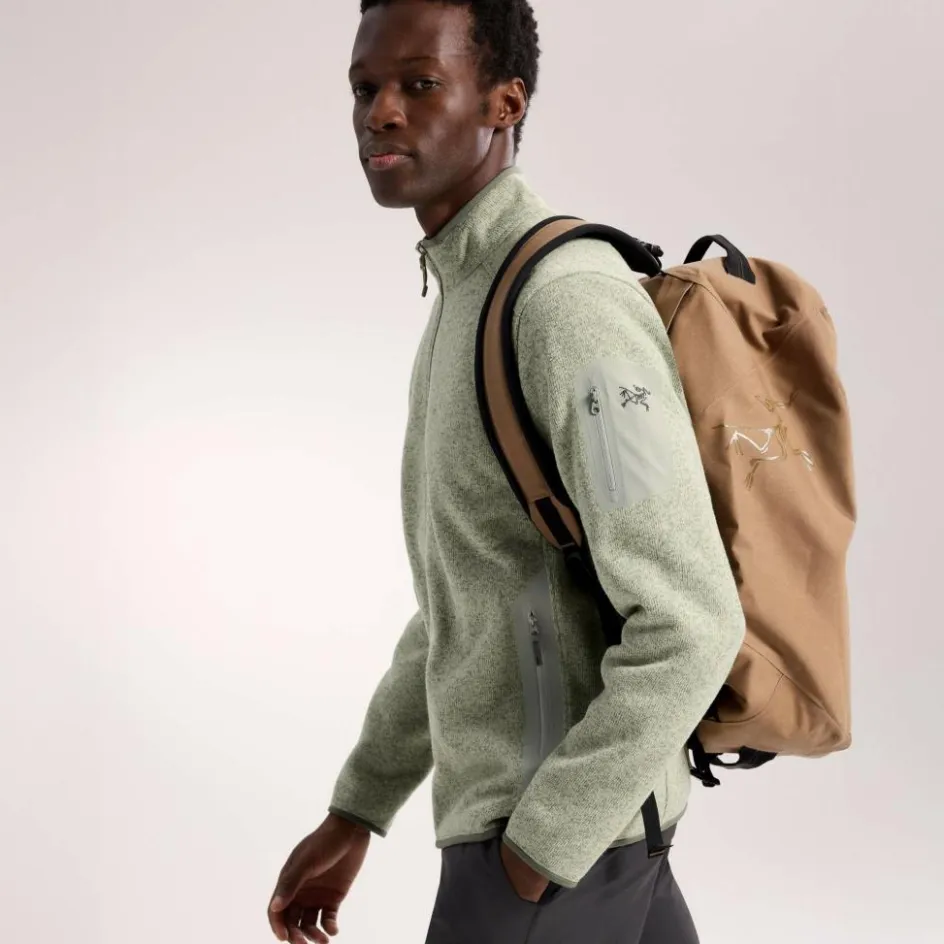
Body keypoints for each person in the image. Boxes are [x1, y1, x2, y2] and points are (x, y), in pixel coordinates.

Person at [267, 2, 745, 941]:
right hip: (577, 848)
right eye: (365, 88)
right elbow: (469, 596)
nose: (381, 112)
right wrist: (359, 807)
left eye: (420, 84)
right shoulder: (467, 296)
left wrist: (538, 851)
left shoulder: (566, 305)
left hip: (554, 853)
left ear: (505, 103)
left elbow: (691, 622)